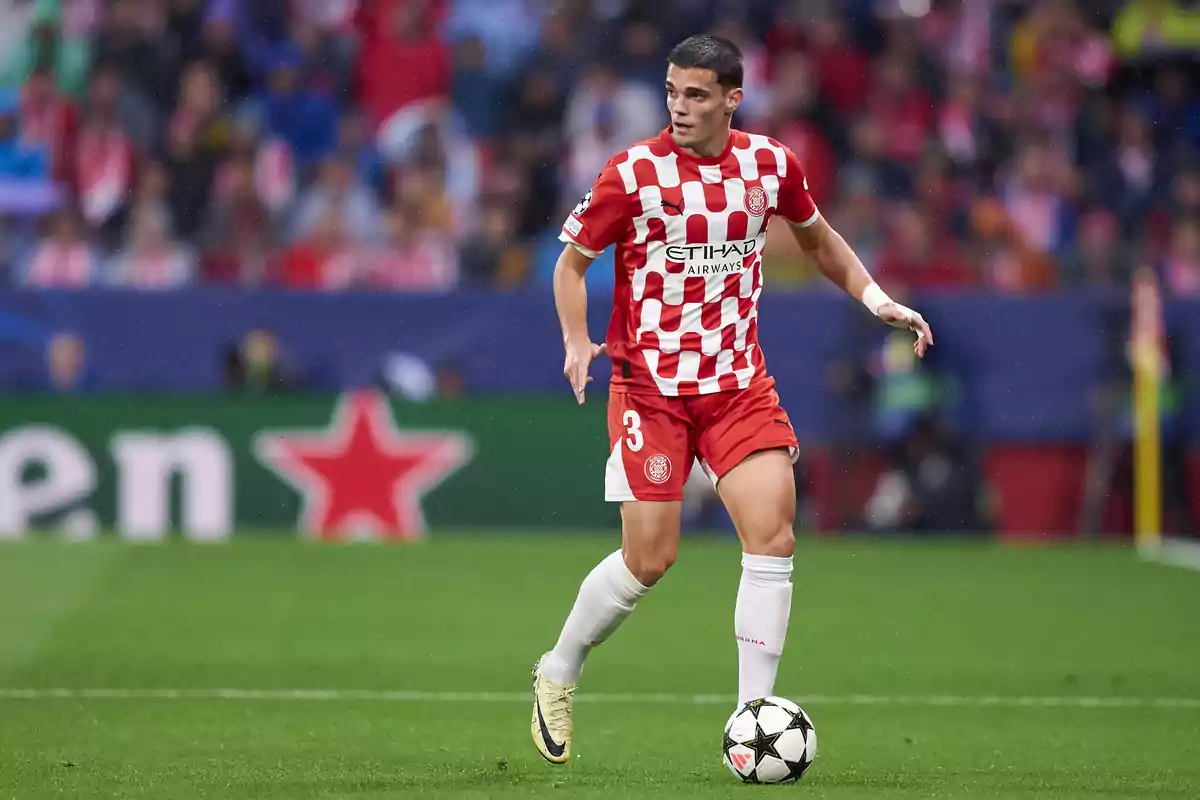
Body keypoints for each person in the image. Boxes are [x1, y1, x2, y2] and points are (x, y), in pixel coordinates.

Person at [531, 35, 933, 765]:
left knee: (773, 536)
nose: (679, 108)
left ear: (731, 99)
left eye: (695, 95)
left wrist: (876, 300)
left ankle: (751, 716)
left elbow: (819, 240)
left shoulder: (770, 164)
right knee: (650, 559)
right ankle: (559, 667)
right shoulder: (634, 172)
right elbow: (571, 263)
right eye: (672, 92)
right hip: (649, 387)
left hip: (737, 385)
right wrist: (573, 339)